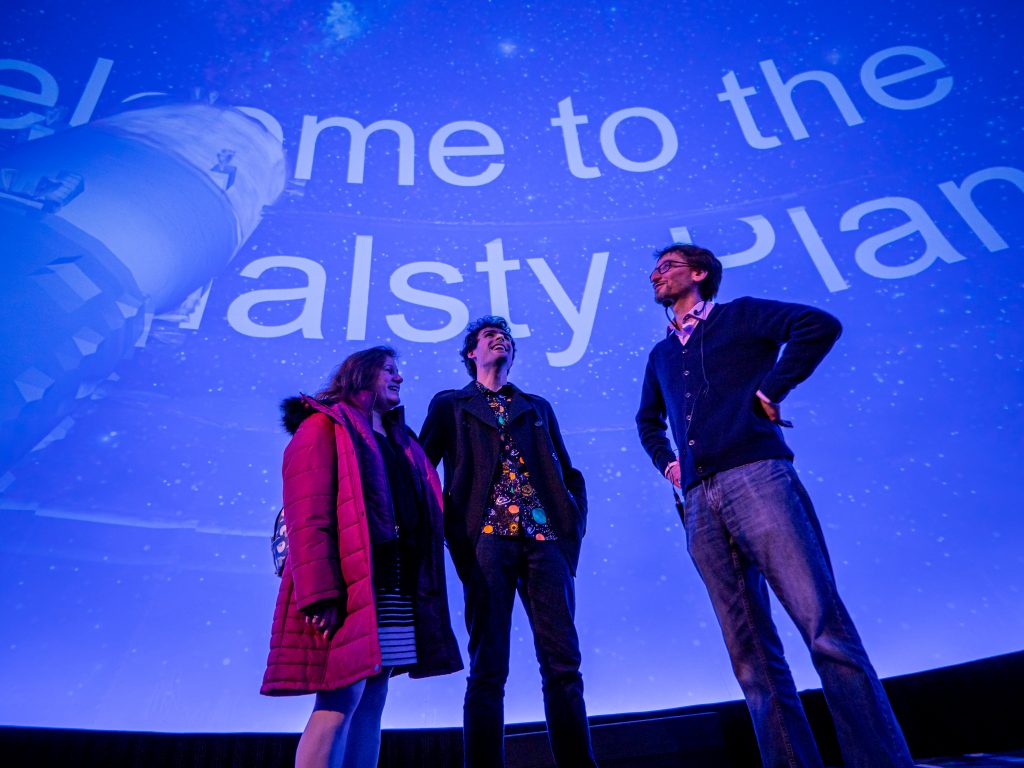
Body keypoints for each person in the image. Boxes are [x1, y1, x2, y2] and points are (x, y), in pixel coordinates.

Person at [636, 244, 915, 768]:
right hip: (699, 502)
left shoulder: (741, 315)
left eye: (667, 266)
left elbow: (818, 325)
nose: (656, 275)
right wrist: (669, 464)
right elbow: (646, 421)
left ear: (699, 273)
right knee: (751, 660)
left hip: (758, 479)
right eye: (654, 269)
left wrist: (772, 387)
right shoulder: (660, 355)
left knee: (824, 629)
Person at [261, 346, 463, 768]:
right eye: (390, 370)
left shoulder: (399, 437)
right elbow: (307, 514)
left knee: (374, 694)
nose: (399, 378)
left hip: (391, 582)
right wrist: (318, 595)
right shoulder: (323, 426)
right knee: (340, 696)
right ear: (362, 374)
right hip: (349, 584)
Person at [419, 316, 598, 768]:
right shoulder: (451, 405)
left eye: (506, 337)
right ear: (471, 355)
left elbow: (568, 470)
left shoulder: (536, 406)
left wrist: (572, 517)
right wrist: (450, 529)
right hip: (486, 542)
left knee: (563, 665)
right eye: (489, 337)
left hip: (545, 540)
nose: (501, 340)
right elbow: (421, 471)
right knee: (488, 668)